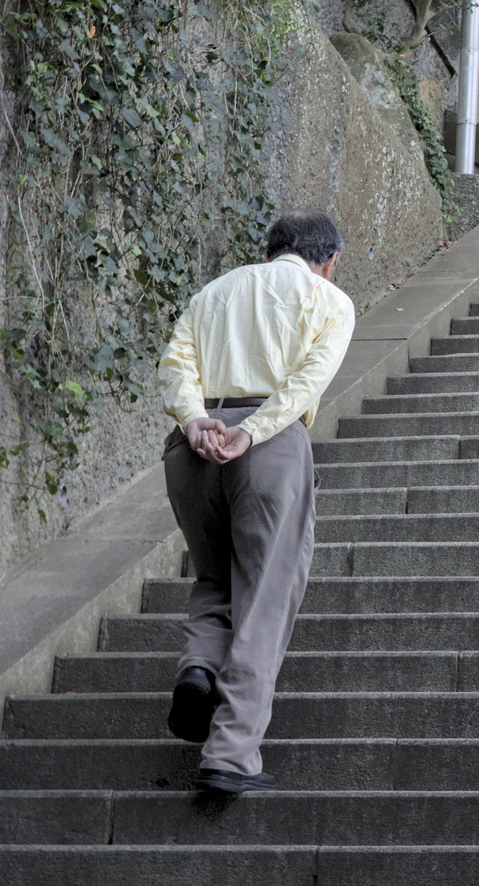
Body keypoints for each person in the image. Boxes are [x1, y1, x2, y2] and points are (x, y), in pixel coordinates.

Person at [155, 210, 355, 795]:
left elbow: (176, 364)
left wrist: (196, 422)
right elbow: (306, 383)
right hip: (265, 451)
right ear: (330, 261)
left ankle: (197, 670)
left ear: (270, 250)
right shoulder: (328, 300)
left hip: (193, 452)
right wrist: (254, 431)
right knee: (264, 599)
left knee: (215, 577)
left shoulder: (215, 291)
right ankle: (231, 754)